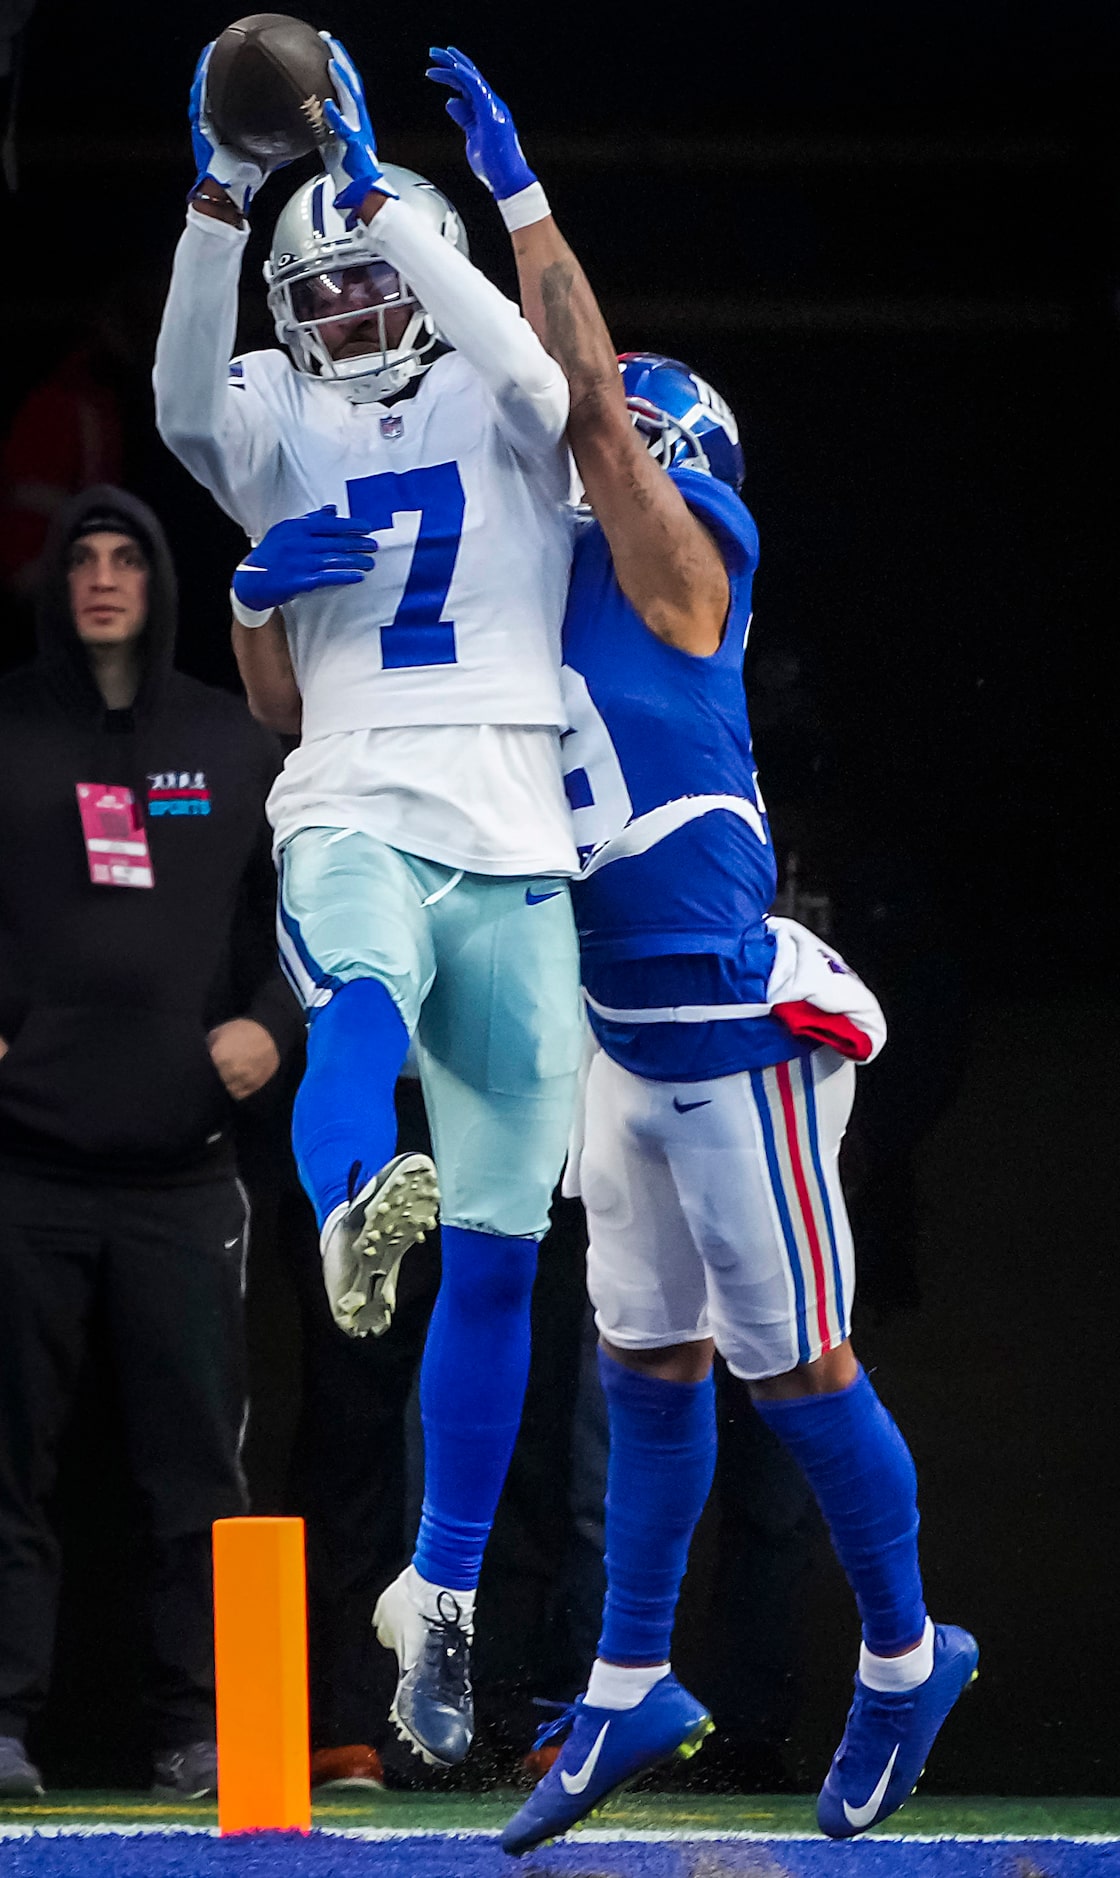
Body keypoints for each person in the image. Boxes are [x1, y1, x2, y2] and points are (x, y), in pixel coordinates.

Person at [422, 50, 979, 1853]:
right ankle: (621, 1685)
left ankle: (905, 1655)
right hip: (612, 1036)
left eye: (645, 433)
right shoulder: (545, 577)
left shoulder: (692, 562)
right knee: (642, 1360)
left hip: (733, 1025)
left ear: (692, 461)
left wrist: (518, 203)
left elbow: (581, 397)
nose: (611, 445)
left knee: (795, 1361)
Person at [154, 35, 582, 1769]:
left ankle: (446, 1592)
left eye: (363, 283)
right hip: (353, 785)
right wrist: (219, 204)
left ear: (423, 279)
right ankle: (344, 1201)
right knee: (362, 999)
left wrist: (419, 211)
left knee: (501, 1249)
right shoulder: (277, 413)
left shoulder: (497, 387)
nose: (334, 316)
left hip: (517, 823)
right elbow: (192, 401)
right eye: (311, 290)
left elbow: (549, 384)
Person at [0, 484, 301, 1799]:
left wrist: (275, 1027)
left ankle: (205, 1729)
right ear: (58, 579)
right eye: (86, 556)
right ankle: (2, 1721)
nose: (106, 576)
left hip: (185, 1174)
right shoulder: (6, 728)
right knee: (7, 1462)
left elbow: (325, 904)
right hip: (24, 1168)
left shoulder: (235, 743)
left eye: (130, 555)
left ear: (160, 579)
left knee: (203, 1468)